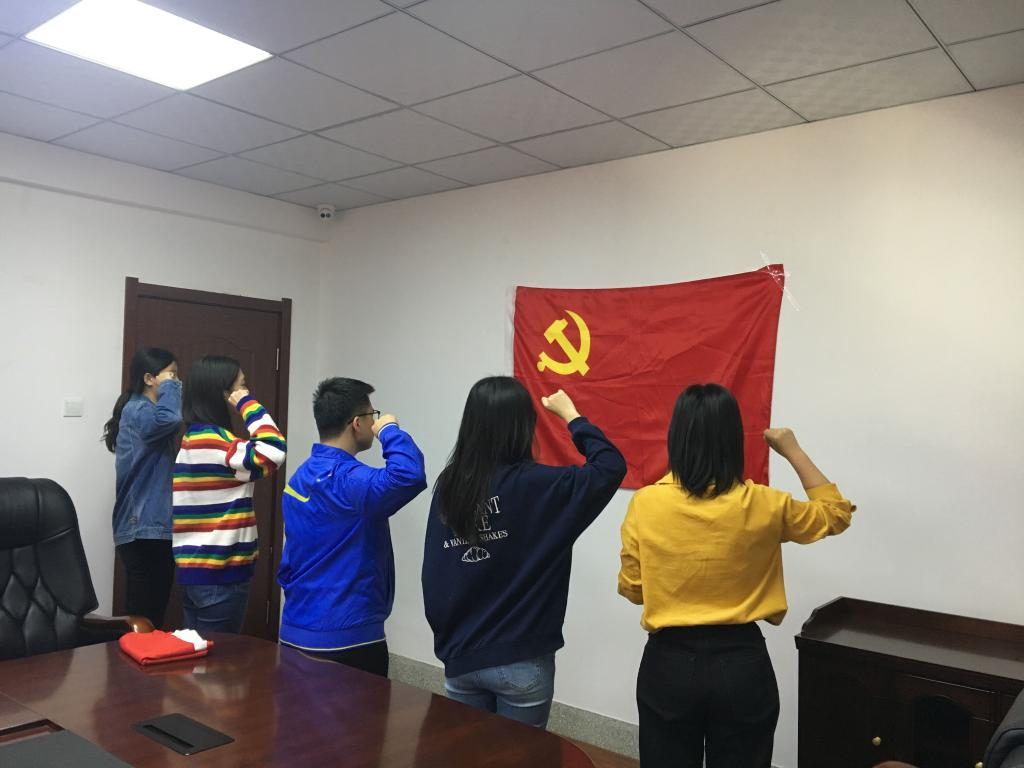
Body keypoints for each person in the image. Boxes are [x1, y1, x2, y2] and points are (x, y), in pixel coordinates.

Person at [618, 383, 856, 768]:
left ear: (676, 437)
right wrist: (792, 449)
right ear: (733, 441)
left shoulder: (645, 504)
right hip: (742, 663)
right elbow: (836, 513)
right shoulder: (765, 503)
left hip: (669, 664)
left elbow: (633, 589)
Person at [422, 378, 626, 728]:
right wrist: (572, 416)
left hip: (461, 657)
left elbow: (435, 573)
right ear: (525, 427)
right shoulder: (541, 486)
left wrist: (448, 642)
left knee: (466, 753)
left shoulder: (450, 485)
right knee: (521, 755)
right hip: (521, 661)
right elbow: (609, 465)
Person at [277, 377, 426, 677]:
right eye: (373, 415)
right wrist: (389, 430)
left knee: (295, 708)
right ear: (357, 423)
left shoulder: (299, 478)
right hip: (348, 639)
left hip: (295, 630)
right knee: (363, 711)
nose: (375, 422)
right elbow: (408, 475)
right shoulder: (349, 480)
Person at [172, 355, 286, 634]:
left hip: (198, 572)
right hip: (219, 575)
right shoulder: (215, 441)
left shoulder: (195, 437)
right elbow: (273, 451)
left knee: (199, 656)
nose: (246, 391)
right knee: (220, 659)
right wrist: (248, 405)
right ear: (223, 393)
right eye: (241, 386)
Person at [103, 346, 181, 629]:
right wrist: (171, 389)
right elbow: (171, 419)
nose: (177, 382)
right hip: (143, 528)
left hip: (150, 528)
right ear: (149, 378)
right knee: (144, 620)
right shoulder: (139, 410)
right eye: (171, 375)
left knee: (151, 618)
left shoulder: (144, 411)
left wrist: (169, 386)